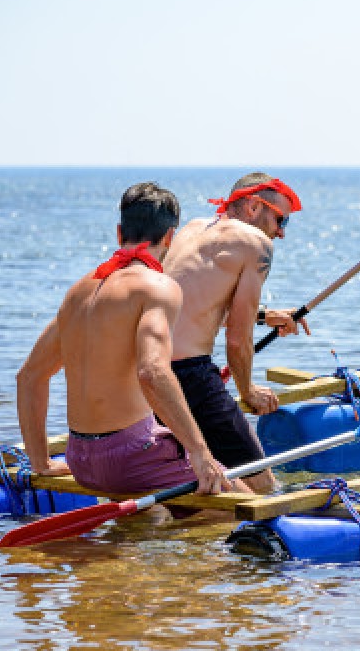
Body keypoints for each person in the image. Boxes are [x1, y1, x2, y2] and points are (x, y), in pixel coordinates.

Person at [16, 181, 241, 508]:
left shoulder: (79, 292)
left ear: (120, 233)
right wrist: (199, 452)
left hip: (79, 458)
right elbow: (152, 372)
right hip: (129, 460)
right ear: (169, 238)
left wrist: (42, 462)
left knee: (168, 460)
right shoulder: (158, 288)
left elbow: (29, 377)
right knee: (240, 505)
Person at [162, 173, 309, 495]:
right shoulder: (256, 244)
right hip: (190, 375)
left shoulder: (191, 229)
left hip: (148, 372)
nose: (281, 232)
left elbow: (189, 303)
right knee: (263, 487)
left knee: (183, 481)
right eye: (281, 219)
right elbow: (237, 340)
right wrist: (248, 391)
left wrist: (263, 316)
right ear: (255, 206)